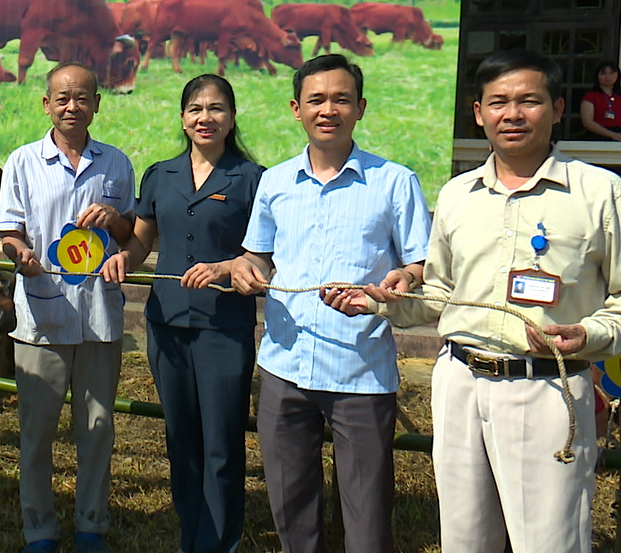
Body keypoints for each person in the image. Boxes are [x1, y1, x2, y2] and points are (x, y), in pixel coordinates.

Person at [324, 49, 621, 553]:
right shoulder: (458, 194)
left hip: (545, 385)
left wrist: (588, 335)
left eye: (529, 101)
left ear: (556, 108)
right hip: (459, 382)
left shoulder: (600, 194)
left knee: (548, 540)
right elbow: (441, 296)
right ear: (478, 112)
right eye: (498, 102)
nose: (513, 114)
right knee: (464, 536)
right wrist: (380, 303)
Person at [229, 53, 431, 553]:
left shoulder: (395, 182)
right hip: (284, 364)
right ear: (296, 108)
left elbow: (422, 266)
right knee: (291, 506)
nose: (328, 109)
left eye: (341, 99)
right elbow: (257, 255)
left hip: (359, 368)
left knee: (366, 517)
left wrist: (403, 278)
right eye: (316, 99)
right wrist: (243, 269)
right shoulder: (274, 182)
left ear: (360, 108)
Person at [102, 75, 263, 553]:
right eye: (195, 109)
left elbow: (264, 253)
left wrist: (233, 266)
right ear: (182, 118)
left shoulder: (253, 179)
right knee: (181, 439)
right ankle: (190, 536)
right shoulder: (160, 175)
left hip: (224, 327)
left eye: (216, 109)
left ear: (232, 117)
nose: (205, 118)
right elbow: (141, 239)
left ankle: (219, 543)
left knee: (221, 443)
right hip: (166, 325)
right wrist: (123, 260)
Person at [0, 62, 136, 553]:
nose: (72, 106)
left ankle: (91, 525)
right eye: (62, 98)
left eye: (82, 98)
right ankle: (39, 530)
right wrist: (21, 255)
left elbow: (128, 236)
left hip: (99, 316)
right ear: (46, 104)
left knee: (97, 428)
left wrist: (116, 220)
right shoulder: (22, 162)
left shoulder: (116, 163)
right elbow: (8, 232)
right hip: (42, 315)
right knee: (36, 433)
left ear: (97, 104)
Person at [579, 60, 621, 142]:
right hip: (598, 138)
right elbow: (588, 122)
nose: (607, 77)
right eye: (604, 73)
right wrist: (612, 135)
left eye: (611, 73)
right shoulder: (590, 96)